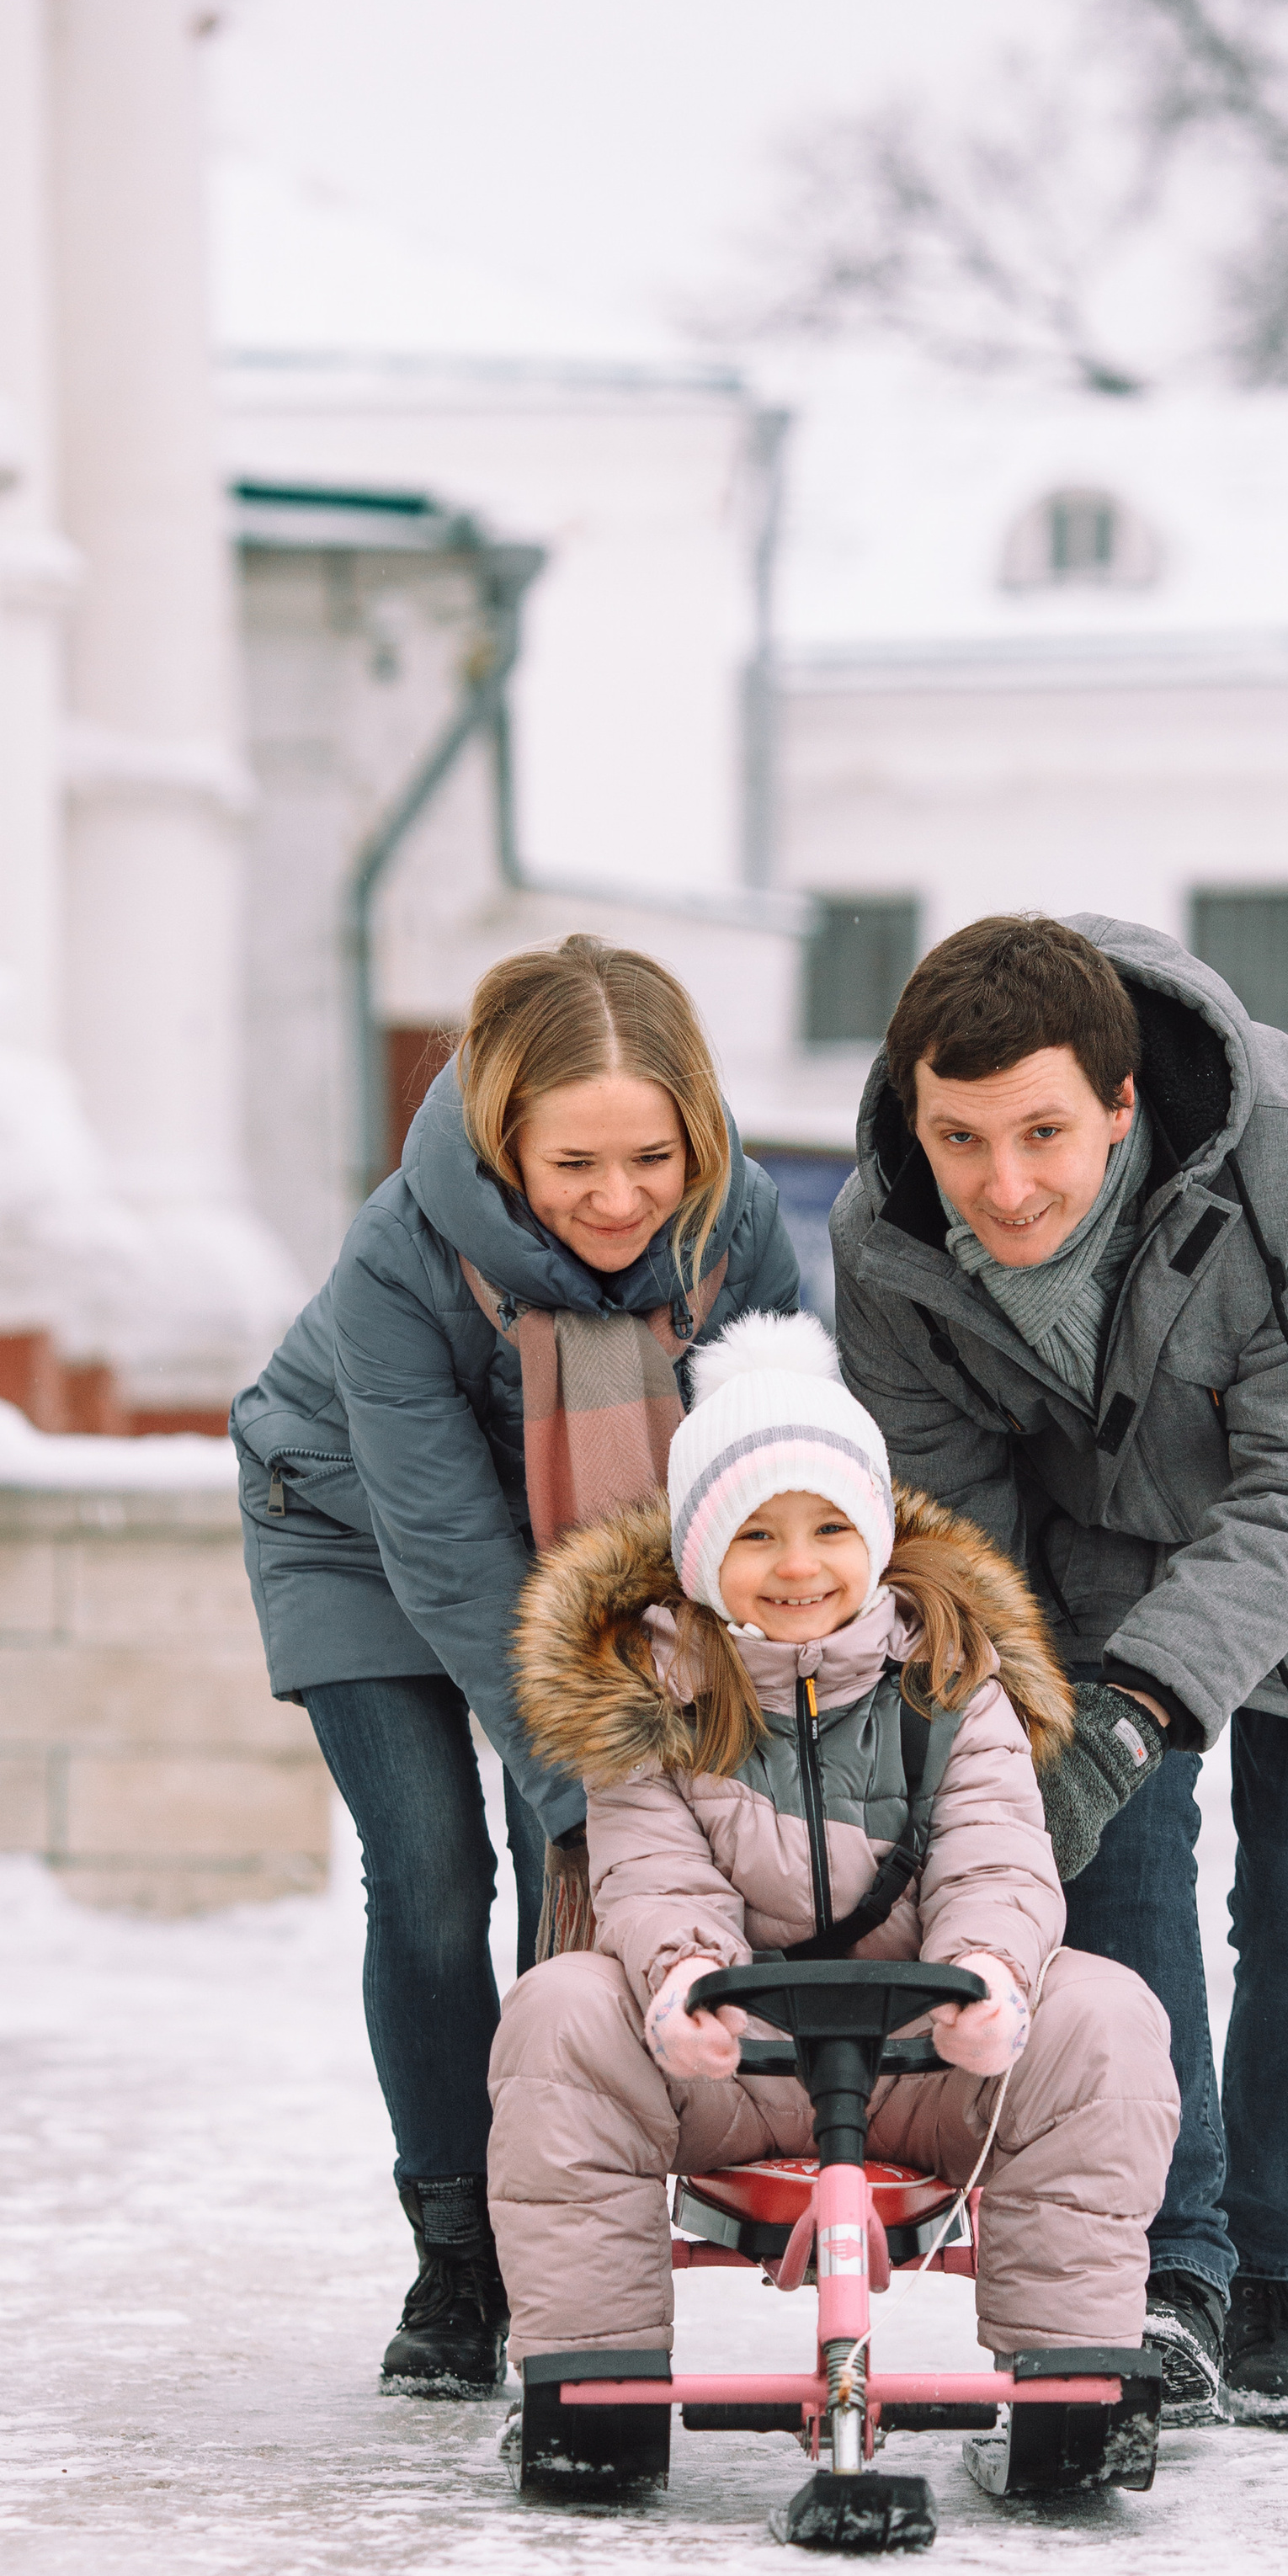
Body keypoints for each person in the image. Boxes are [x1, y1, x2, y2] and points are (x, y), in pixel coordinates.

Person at [828, 913, 1288, 2430]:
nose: (1002, 1185)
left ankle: (1282, 2277)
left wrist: (1147, 1705)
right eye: (960, 1140)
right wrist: (1034, 1729)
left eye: (1045, 1131)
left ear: (1121, 1106)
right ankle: (1173, 2275)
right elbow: (958, 1533)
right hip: (1102, 1529)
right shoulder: (886, 1247)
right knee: (1111, 1869)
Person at [231, 938, 800, 2396]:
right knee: (437, 1867)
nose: (619, 1202)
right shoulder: (398, 1260)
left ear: (701, 1133)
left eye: (651, 1159)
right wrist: (588, 1784)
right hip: (356, 1533)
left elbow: (771, 1473)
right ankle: (461, 2251)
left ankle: (578, 2202)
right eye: (574, 1165)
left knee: (645, 1837)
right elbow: (453, 1560)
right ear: (503, 1138)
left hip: (612, 1552)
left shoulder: (740, 1237)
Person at [486, 1311, 1179, 2458]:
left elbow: (998, 1851)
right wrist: (682, 1985)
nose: (799, 1565)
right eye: (758, 1536)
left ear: (873, 1535)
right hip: (731, 2061)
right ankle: (591, 2395)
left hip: (923, 2057)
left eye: (826, 1528)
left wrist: (989, 1980)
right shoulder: (652, 1702)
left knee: (1103, 2014)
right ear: (707, 1557)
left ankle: (1075, 2392)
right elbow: (651, 1873)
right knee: (561, 2011)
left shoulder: (952, 1683)